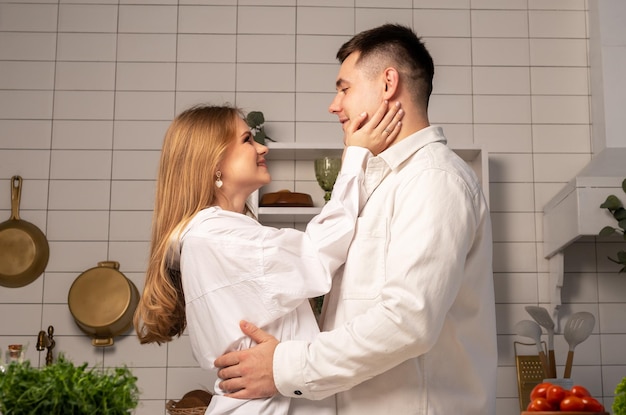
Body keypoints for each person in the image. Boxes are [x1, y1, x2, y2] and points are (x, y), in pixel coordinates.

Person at [214, 24, 497, 415]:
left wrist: (283, 366)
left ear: (387, 84)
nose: (334, 104)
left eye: (344, 88)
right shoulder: (384, 183)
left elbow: (408, 321)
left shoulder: (434, 178)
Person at [133, 102, 403, 414]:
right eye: (247, 140)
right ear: (213, 162)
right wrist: (355, 157)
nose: (262, 148)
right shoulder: (218, 237)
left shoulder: (215, 234)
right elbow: (316, 256)